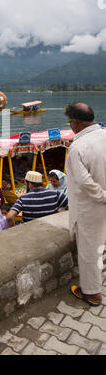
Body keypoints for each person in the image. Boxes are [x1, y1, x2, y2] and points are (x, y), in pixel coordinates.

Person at [65, 102, 106, 306]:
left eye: (70, 121)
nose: (70, 125)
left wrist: (102, 195)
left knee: (89, 250)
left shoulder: (77, 148)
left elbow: (84, 182)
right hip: (102, 203)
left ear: (76, 123)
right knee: (99, 245)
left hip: (90, 207)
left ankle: (92, 293)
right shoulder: (104, 135)